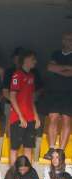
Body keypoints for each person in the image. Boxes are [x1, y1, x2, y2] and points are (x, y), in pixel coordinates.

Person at [42, 32, 72, 160]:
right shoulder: (55, 53)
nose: (69, 41)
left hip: (69, 92)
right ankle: (52, 147)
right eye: (66, 39)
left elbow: (66, 74)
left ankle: (61, 150)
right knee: (53, 118)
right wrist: (67, 67)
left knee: (66, 119)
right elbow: (50, 67)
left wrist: (59, 69)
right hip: (54, 91)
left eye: (71, 39)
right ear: (62, 40)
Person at [9, 49, 40, 165]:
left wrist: (36, 116)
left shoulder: (32, 76)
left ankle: (28, 176)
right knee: (15, 148)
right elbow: (12, 97)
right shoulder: (17, 75)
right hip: (18, 118)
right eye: (33, 59)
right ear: (26, 60)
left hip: (30, 117)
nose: (35, 62)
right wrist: (21, 116)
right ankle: (12, 174)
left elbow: (31, 99)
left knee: (29, 147)